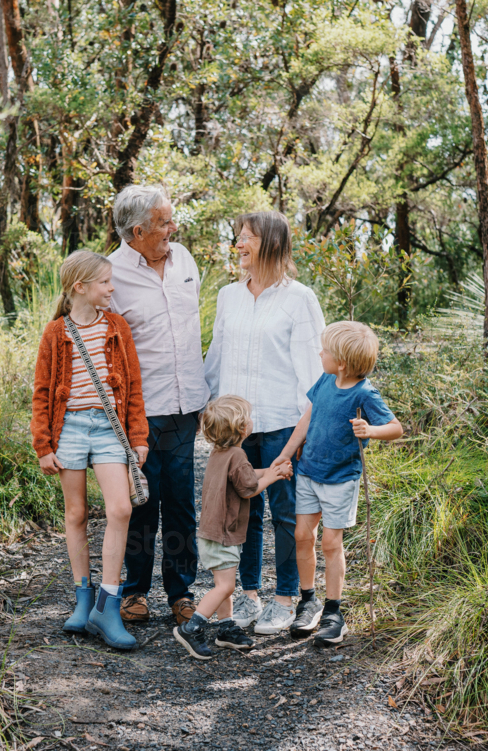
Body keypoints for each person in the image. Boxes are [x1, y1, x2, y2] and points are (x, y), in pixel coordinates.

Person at [204, 211, 325, 635]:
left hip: (282, 425)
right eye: (237, 236)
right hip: (238, 429)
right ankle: (250, 596)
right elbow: (215, 360)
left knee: (286, 513)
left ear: (270, 244)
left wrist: (302, 435)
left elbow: (313, 375)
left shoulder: (299, 299)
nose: (237, 244)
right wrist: (208, 410)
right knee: (242, 512)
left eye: (246, 237)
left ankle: (286, 599)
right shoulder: (228, 297)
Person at [30, 251, 149, 651]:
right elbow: (42, 393)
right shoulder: (55, 333)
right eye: (104, 283)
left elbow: (132, 388)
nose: (111, 288)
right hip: (70, 430)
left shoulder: (117, 328)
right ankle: (81, 598)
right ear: (79, 287)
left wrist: (138, 438)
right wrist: (43, 445)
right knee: (76, 513)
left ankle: (107, 603)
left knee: (120, 509)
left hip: (109, 428)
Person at [108, 185, 211, 626]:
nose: (174, 228)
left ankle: (180, 590)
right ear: (138, 231)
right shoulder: (111, 274)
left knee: (181, 501)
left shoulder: (184, 260)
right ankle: (134, 590)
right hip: (139, 411)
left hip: (185, 404)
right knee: (141, 502)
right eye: (165, 222)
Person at [271, 321, 403, 645]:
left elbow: (396, 427)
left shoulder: (364, 393)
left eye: (325, 350)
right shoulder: (326, 380)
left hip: (340, 480)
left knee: (331, 543)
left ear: (342, 361)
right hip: (308, 473)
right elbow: (307, 419)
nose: (320, 353)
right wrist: (284, 456)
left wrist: (370, 430)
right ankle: (308, 601)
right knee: (302, 535)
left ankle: (333, 612)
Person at [173, 396, 293, 659]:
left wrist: (270, 469)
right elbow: (249, 488)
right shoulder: (238, 454)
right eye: (248, 417)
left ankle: (226, 627)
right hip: (224, 534)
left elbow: (247, 474)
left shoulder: (221, 453)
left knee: (222, 582)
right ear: (242, 429)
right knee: (225, 587)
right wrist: (273, 476)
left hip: (211, 532)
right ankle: (192, 628)